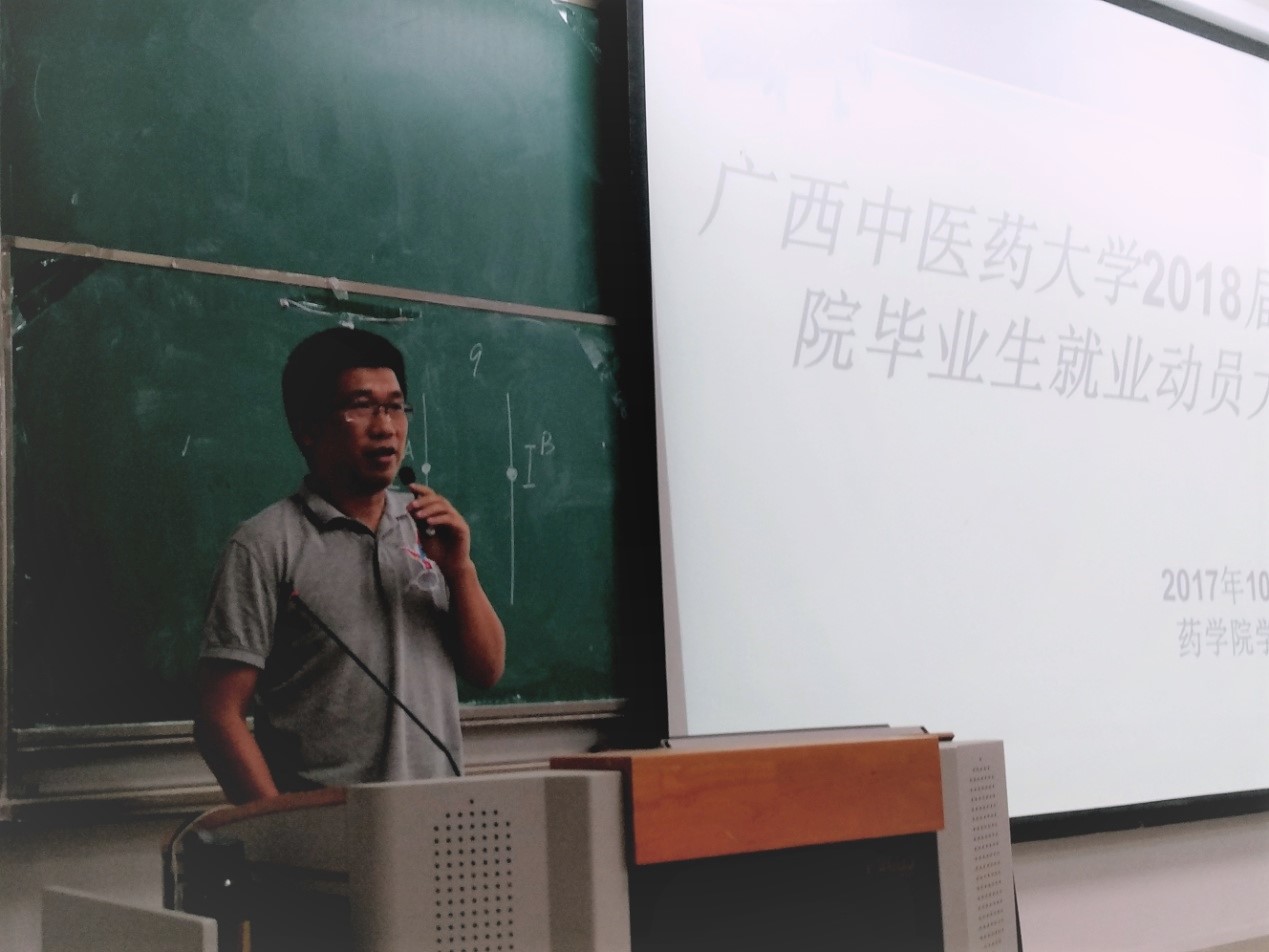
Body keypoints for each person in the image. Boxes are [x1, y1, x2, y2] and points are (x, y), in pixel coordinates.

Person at [194, 327, 505, 803]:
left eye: (396, 407)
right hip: (328, 832)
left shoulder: (427, 528)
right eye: (361, 407)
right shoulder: (265, 544)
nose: (386, 427)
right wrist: (281, 826)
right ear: (309, 429)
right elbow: (219, 717)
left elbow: (487, 669)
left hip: (436, 820)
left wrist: (459, 570)